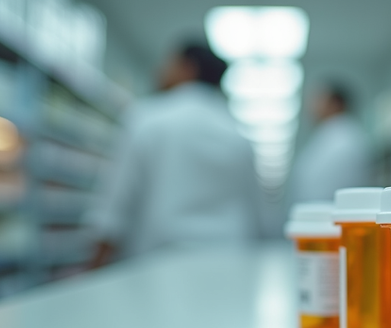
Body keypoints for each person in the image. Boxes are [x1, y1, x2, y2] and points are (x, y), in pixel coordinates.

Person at [87, 42, 262, 266]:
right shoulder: (238, 135)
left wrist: (95, 264)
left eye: (168, 63)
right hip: (228, 262)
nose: (159, 70)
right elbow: (257, 214)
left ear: (188, 68)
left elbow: (115, 206)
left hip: (156, 264)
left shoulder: (147, 119)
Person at [289, 82, 372, 203]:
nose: (312, 106)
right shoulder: (328, 134)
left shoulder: (346, 137)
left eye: (319, 99)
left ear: (335, 104)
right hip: (319, 207)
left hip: (331, 208)